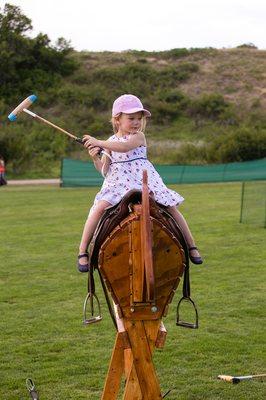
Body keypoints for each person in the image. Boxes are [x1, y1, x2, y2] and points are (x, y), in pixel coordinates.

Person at [78, 94, 202, 272]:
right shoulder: (110, 142)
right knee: (99, 208)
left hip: (144, 180)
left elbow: (126, 147)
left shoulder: (138, 137)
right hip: (118, 183)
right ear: (117, 119)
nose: (136, 122)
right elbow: (105, 171)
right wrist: (95, 158)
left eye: (139, 118)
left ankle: (191, 245)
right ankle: (83, 251)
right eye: (131, 118)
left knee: (171, 208)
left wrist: (99, 142)